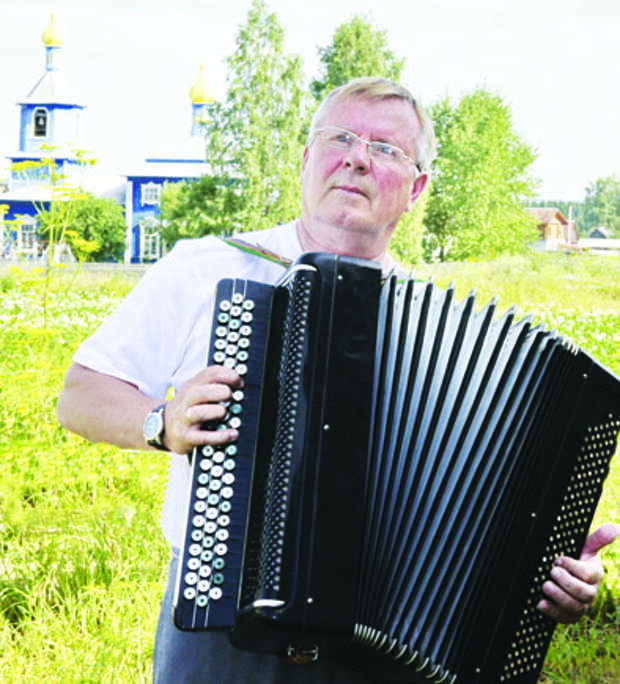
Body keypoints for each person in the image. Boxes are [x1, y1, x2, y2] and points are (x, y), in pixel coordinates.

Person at [56, 77, 618, 683]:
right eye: (341, 137)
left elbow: (480, 509)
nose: (356, 157)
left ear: (416, 188)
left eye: (386, 149)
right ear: (307, 158)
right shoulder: (209, 266)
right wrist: (160, 422)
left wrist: (546, 574)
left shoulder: (435, 330)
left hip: (385, 647)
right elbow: (81, 395)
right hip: (222, 633)